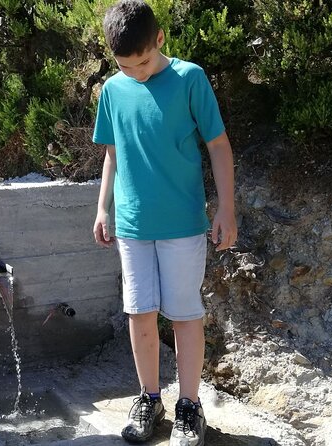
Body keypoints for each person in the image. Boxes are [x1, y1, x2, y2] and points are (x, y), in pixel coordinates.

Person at [92, 1, 237, 445]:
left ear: (159, 40)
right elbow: (112, 155)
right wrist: (103, 208)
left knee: (184, 314)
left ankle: (190, 407)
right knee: (139, 313)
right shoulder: (113, 90)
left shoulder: (190, 77)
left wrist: (227, 208)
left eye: (144, 62)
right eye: (126, 65)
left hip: (183, 224)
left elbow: (218, 145)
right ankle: (149, 398)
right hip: (133, 227)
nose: (137, 72)